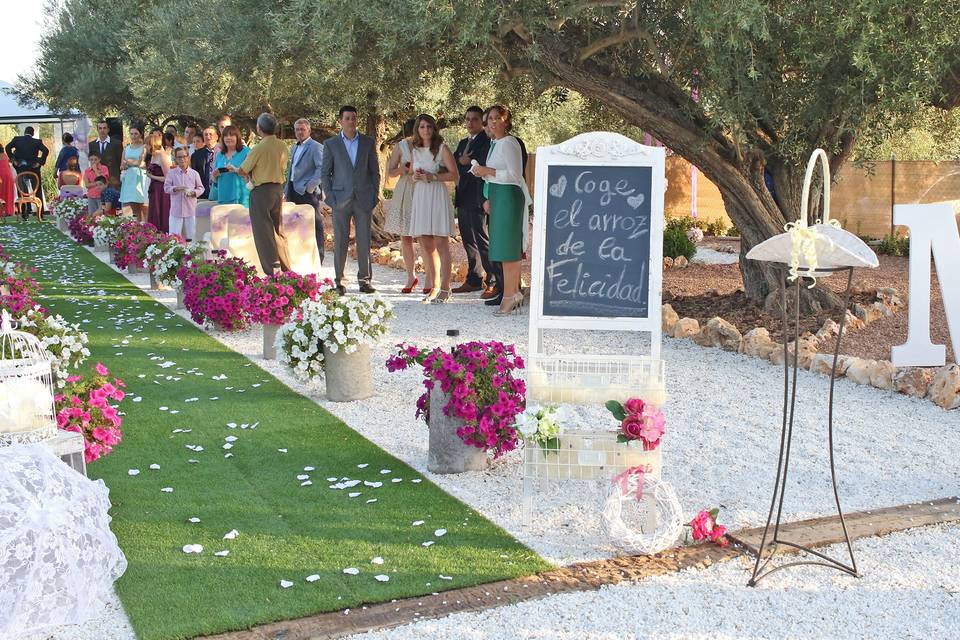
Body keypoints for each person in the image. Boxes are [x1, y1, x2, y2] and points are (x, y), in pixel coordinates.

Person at [471, 105, 531, 316]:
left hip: (509, 197)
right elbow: (496, 173)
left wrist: (487, 170)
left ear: (506, 120)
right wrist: (484, 178)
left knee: (509, 248)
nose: (494, 122)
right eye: (490, 119)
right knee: (503, 248)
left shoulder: (510, 142)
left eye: (498, 118)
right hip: (498, 195)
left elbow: (515, 175)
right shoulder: (495, 144)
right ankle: (511, 293)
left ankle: (510, 294)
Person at [321, 106, 381, 294]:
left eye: (354, 118)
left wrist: (374, 196)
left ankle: (364, 281)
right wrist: (330, 197)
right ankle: (340, 281)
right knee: (340, 240)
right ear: (340, 121)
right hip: (340, 199)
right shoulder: (331, 144)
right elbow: (325, 173)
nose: (351, 121)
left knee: (364, 240)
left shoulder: (367, 142)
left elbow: (374, 172)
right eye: (347, 118)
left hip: (363, 199)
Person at [407, 114, 459, 304]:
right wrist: (416, 177)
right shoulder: (415, 150)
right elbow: (412, 172)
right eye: (422, 127)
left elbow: (454, 174)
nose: (426, 130)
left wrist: (433, 177)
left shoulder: (442, 149)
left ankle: (446, 288)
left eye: (429, 126)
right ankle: (434, 286)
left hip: (436, 194)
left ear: (434, 129)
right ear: (417, 130)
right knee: (427, 245)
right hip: (421, 195)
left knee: (441, 243)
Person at [238, 112, 292, 275]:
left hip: (261, 191)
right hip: (277, 189)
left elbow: (243, 170)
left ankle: (272, 271)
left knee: (263, 233)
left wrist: (249, 175)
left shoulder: (259, 148)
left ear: (259, 128)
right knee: (277, 230)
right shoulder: (282, 145)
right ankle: (287, 268)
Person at [452, 106, 494, 297]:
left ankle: (493, 280)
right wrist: (461, 160)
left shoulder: (487, 141)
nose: (470, 123)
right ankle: (474, 279)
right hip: (463, 197)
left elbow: (481, 163)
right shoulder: (462, 143)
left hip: (478, 197)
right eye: (467, 119)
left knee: (482, 240)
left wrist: (466, 162)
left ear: (482, 121)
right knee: (468, 241)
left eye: (475, 119)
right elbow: (454, 163)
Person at [384, 118, 419, 292]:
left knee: (428, 235)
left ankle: (433, 278)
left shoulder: (430, 145)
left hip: (424, 188)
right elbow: (390, 172)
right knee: (406, 236)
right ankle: (411, 276)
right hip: (405, 189)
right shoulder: (401, 146)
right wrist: (402, 170)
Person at [285, 118, 326, 264]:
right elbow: (292, 169)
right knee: (295, 225)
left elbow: (322, 168)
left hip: (307, 193)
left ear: (309, 131)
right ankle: (300, 256)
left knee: (315, 224)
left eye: (302, 129)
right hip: (293, 191)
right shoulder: (295, 147)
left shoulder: (316, 147)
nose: (300, 132)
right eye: (297, 129)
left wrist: (310, 186)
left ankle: (319, 257)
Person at [6, 126, 49, 218]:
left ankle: (24, 213)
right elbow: (46, 151)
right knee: (37, 190)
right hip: (34, 168)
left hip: (21, 168)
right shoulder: (37, 142)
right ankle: (40, 214)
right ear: (32, 133)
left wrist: (14, 160)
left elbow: (7, 147)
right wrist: (40, 162)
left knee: (21, 190)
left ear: (24, 132)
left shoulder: (17, 140)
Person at [164, 147, 204, 241]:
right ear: (176, 159)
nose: (182, 159)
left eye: (184, 156)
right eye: (179, 157)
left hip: (191, 210)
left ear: (188, 157)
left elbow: (201, 188)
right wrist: (176, 188)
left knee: (192, 237)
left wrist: (194, 193)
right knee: (173, 238)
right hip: (176, 210)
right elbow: (166, 188)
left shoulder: (194, 174)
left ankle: (192, 254)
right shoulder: (172, 173)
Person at [212, 125, 250, 207]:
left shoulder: (246, 152)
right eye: (226, 136)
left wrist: (236, 170)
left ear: (237, 137)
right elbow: (214, 182)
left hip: (241, 199)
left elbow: (252, 175)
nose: (228, 138)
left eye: (232, 135)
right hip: (223, 198)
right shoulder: (219, 155)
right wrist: (214, 176)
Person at [119, 124, 148, 222]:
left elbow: (142, 163)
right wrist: (124, 165)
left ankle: (144, 226)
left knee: (142, 205)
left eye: (136, 133)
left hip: (140, 177)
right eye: (131, 134)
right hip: (128, 178)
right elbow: (122, 164)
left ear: (141, 134)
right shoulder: (126, 148)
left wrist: (130, 162)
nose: (133, 136)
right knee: (130, 205)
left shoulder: (144, 148)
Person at [146, 131, 173, 232]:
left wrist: (151, 176)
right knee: (153, 212)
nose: (145, 147)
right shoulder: (153, 155)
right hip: (154, 188)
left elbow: (168, 178)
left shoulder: (162, 156)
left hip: (161, 190)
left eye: (147, 144)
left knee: (161, 212)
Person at [89, 120, 121, 189]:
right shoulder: (91, 145)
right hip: (97, 180)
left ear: (108, 129)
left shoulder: (116, 143)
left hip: (113, 180)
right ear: (97, 130)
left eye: (104, 128)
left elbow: (120, 161)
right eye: (100, 128)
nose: (102, 130)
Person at [190, 126, 219, 199]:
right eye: (205, 135)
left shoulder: (223, 152)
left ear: (216, 137)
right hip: (203, 194)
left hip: (220, 191)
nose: (208, 136)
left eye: (210, 134)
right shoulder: (196, 155)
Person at [0, 147, 15, 217]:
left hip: (1, 177)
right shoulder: (5, 155)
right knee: (8, 193)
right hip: (9, 176)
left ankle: (2, 211)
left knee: (2, 193)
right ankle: (8, 211)